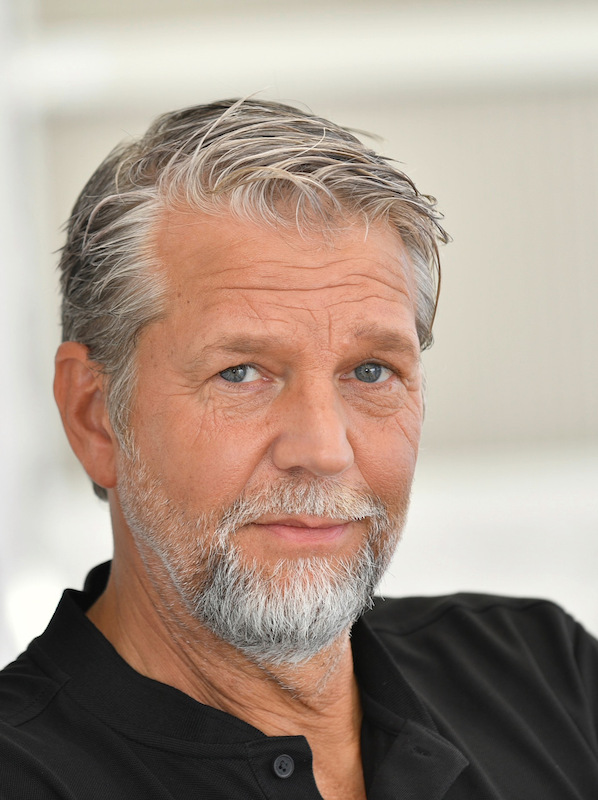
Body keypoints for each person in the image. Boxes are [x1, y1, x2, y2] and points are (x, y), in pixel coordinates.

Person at [0, 98, 596, 800]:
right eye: (240, 373)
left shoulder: (545, 677)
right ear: (95, 417)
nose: (324, 449)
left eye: (370, 371)